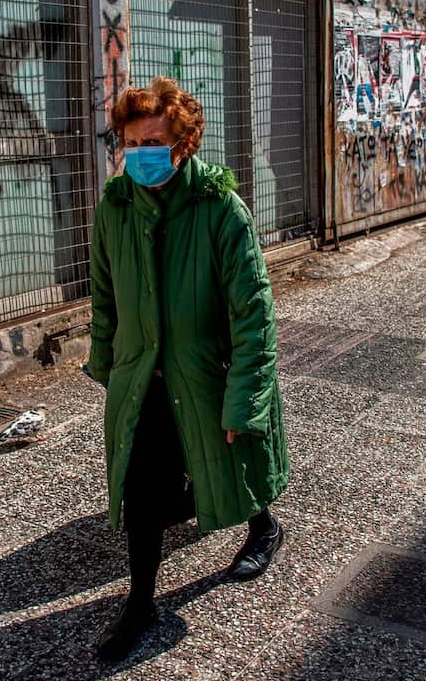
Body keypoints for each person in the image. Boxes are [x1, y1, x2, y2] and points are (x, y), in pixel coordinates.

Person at [86, 76, 289, 663]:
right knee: (144, 490)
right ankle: (143, 600)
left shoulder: (220, 208)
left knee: (225, 453)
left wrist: (245, 400)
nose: (140, 154)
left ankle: (262, 527)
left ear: (183, 142)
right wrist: (109, 366)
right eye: (131, 142)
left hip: (206, 370)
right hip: (143, 373)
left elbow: (254, 313)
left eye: (154, 141)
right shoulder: (115, 207)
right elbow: (103, 294)